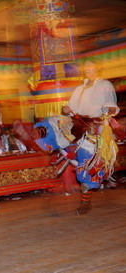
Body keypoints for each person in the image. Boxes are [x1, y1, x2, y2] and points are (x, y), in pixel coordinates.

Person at [61, 60, 119, 215]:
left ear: (97, 69)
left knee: (89, 163)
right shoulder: (79, 88)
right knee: (75, 158)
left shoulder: (105, 85)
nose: (88, 69)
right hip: (79, 128)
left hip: (96, 128)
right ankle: (88, 195)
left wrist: (108, 113)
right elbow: (70, 107)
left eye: (91, 67)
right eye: (86, 67)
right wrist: (66, 109)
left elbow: (111, 105)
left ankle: (85, 202)